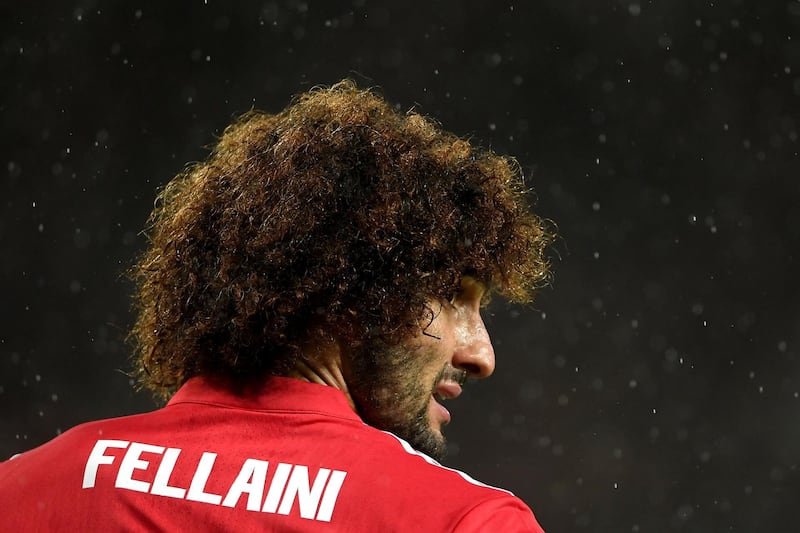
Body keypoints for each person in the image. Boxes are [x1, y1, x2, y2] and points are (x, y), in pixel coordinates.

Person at [0, 80, 552, 531]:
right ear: (352, 295)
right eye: (455, 300)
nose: (482, 354)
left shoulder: (21, 491)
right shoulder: (462, 521)